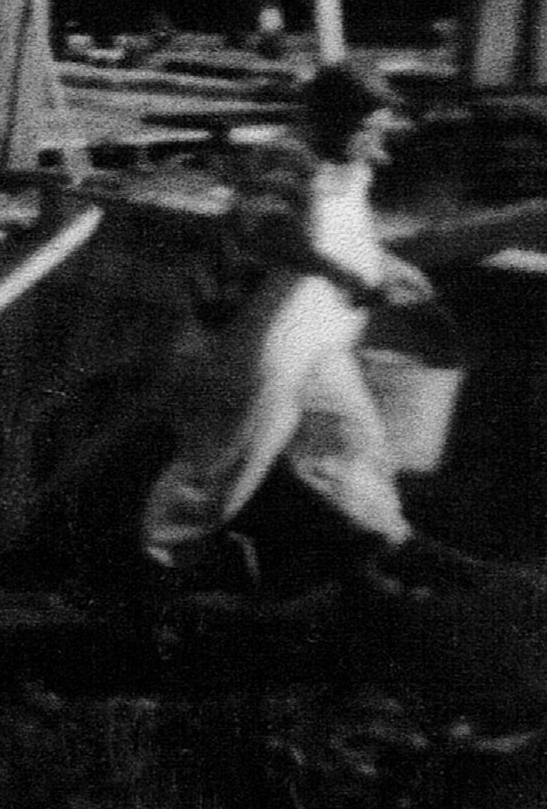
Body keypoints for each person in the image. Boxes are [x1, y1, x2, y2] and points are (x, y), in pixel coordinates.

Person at [142, 60, 436, 590]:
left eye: (377, 127)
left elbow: (349, 230)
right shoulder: (286, 158)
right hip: (252, 331)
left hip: (319, 332)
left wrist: (386, 263)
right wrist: (345, 275)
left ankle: (384, 543)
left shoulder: (354, 159)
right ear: (324, 118)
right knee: (231, 451)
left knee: (352, 438)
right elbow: (268, 235)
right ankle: (164, 561)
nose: (372, 139)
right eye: (362, 127)